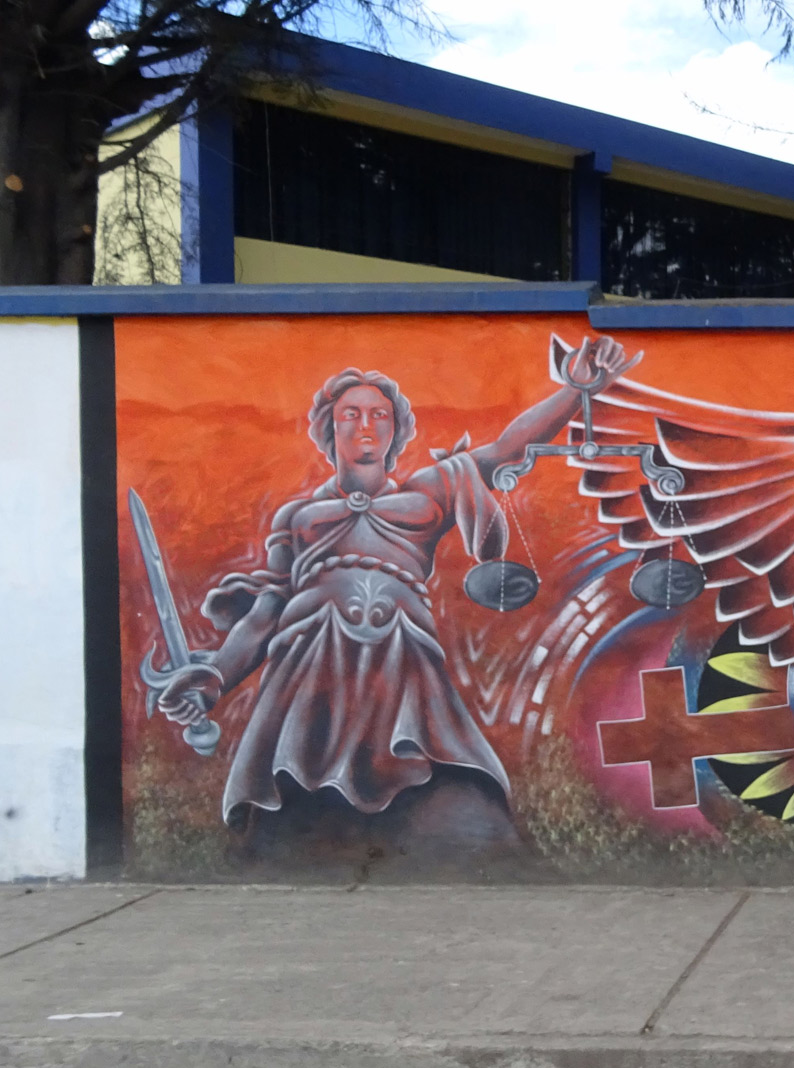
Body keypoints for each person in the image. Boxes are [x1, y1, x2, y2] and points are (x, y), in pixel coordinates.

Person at [154, 336, 635, 879]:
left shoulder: (431, 489)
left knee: (459, 806)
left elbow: (507, 448)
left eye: (379, 414)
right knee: (288, 816)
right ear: (328, 429)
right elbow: (265, 615)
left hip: (402, 665)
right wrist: (214, 678)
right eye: (351, 414)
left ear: (396, 430)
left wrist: (573, 391)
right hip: (310, 672)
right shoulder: (297, 517)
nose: (366, 424)